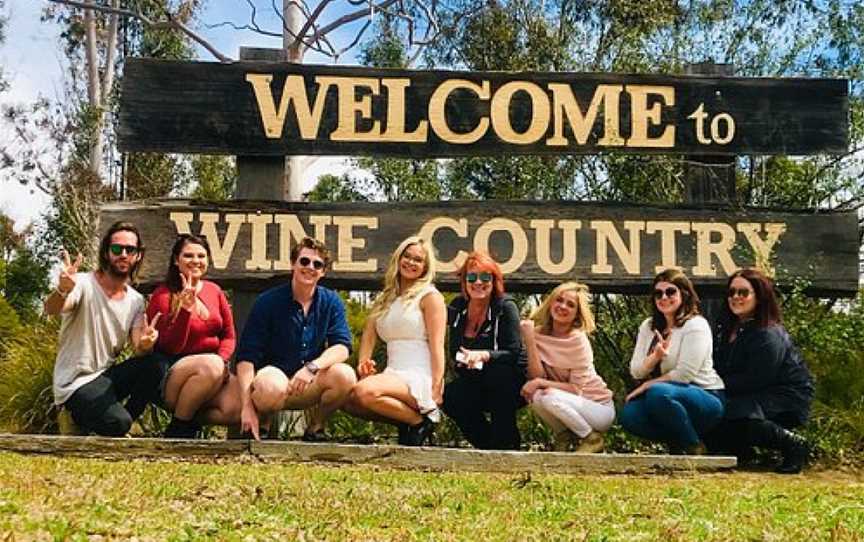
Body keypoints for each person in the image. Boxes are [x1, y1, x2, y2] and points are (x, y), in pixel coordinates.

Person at [234, 237, 356, 441]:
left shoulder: (331, 301)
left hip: (308, 383)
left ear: (323, 271)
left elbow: (342, 346)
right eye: (304, 261)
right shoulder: (267, 301)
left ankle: (316, 427)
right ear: (293, 264)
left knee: (345, 375)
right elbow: (246, 358)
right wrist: (246, 407)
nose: (310, 267)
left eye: (317, 264)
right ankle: (263, 423)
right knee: (269, 387)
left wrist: (312, 367)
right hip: (272, 382)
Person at [45, 221, 160, 437]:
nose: (123, 254)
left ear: (138, 256)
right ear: (107, 253)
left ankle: (117, 423)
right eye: (117, 249)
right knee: (118, 422)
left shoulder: (135, 301)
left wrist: (146, 344)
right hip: (75, 383)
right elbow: (52, 309)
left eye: (130, 250)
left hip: (105, 377)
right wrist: (62, 290)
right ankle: (81, 417)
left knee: (155, 365)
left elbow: (139, 349)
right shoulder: (82, 283)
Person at [706, 268, 814, 474]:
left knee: (731, 412)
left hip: (784, 396)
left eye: (743, 292)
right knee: (709, 413)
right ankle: (743, 453)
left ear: (760, 296)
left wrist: (714, 386)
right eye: (731, 292)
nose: (736, 297)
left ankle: (793, 445)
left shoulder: (768, 333)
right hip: (748, 393)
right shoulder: (727, 329)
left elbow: (758, 378)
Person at [346, 236, 446, 446]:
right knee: (348, 400)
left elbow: (437, 345)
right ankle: (407, 421)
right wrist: (364, 362)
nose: (410, 262)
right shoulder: (385, 297)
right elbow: (369, 334)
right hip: (393, 373)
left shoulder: (430, 296)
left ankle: (419, 422)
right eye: (407, 256)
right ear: (398, 258)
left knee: (364, 392)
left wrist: (437, 385)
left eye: (418, 260)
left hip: (418, 373)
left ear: (425, 267)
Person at [619, 269, 725, 454]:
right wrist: (655, 358)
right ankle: (678, 440)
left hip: (706, 397)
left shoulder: (696, 325)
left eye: (670, 291)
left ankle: (694, 446)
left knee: (657, 393)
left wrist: (647, 385)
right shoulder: (648, 326)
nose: (664, 297)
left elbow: (684, 375)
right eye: (658, 293)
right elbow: (636, 371)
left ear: (684, 294)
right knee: (629, 414)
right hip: (666, 399)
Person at [144, 234, 236, 438]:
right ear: (176, 260)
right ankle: (178, 429)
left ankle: (190, 416)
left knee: (237, 406)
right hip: (172, 374)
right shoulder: (163, 295)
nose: (196, 261)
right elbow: (169, 346)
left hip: (213, 371)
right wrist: (185, 310)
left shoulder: (214, 291)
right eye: (188, 256)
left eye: (201, 256)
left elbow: (229, 336)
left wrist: (222, 362)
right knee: (210, 365)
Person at [442, 251, 526, 450]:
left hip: (511, 381)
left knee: (499, 377)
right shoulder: (457, 306)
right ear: (464, 281)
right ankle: (488, 447)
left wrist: (484, 355)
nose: (478, 282)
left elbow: (513, 352)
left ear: (494, 280)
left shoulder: (506, 306)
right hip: (475, 376)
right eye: (471, 277)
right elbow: (454, 350)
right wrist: (468, 359)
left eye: (485, 277)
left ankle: (506, 446)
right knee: (451, 395)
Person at [520, 282, 614, 453]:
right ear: (550, 303)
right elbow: (536, 376)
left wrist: (540, 382)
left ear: (577, 315)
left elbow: (575, 389)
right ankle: (564, 435)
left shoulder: (578, 341)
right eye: (559, 300)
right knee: (534, 394)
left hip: (597, 408)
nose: (563, 306)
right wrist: (530, 340)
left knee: (547, 394)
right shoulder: (538, 334)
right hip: (563, 401)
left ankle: (591, 439)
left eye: (570, 305)